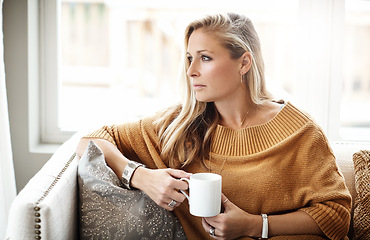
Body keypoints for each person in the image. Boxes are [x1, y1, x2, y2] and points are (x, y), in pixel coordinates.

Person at [76, 12, 351, 240]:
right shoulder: (177, 127)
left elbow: (337, 215)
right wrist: (141, 176)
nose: (191, 70)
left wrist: (256, 225)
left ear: (244, 62)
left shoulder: (300, 133)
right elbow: (89, 141)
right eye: (189, 58)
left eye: (205, 58)